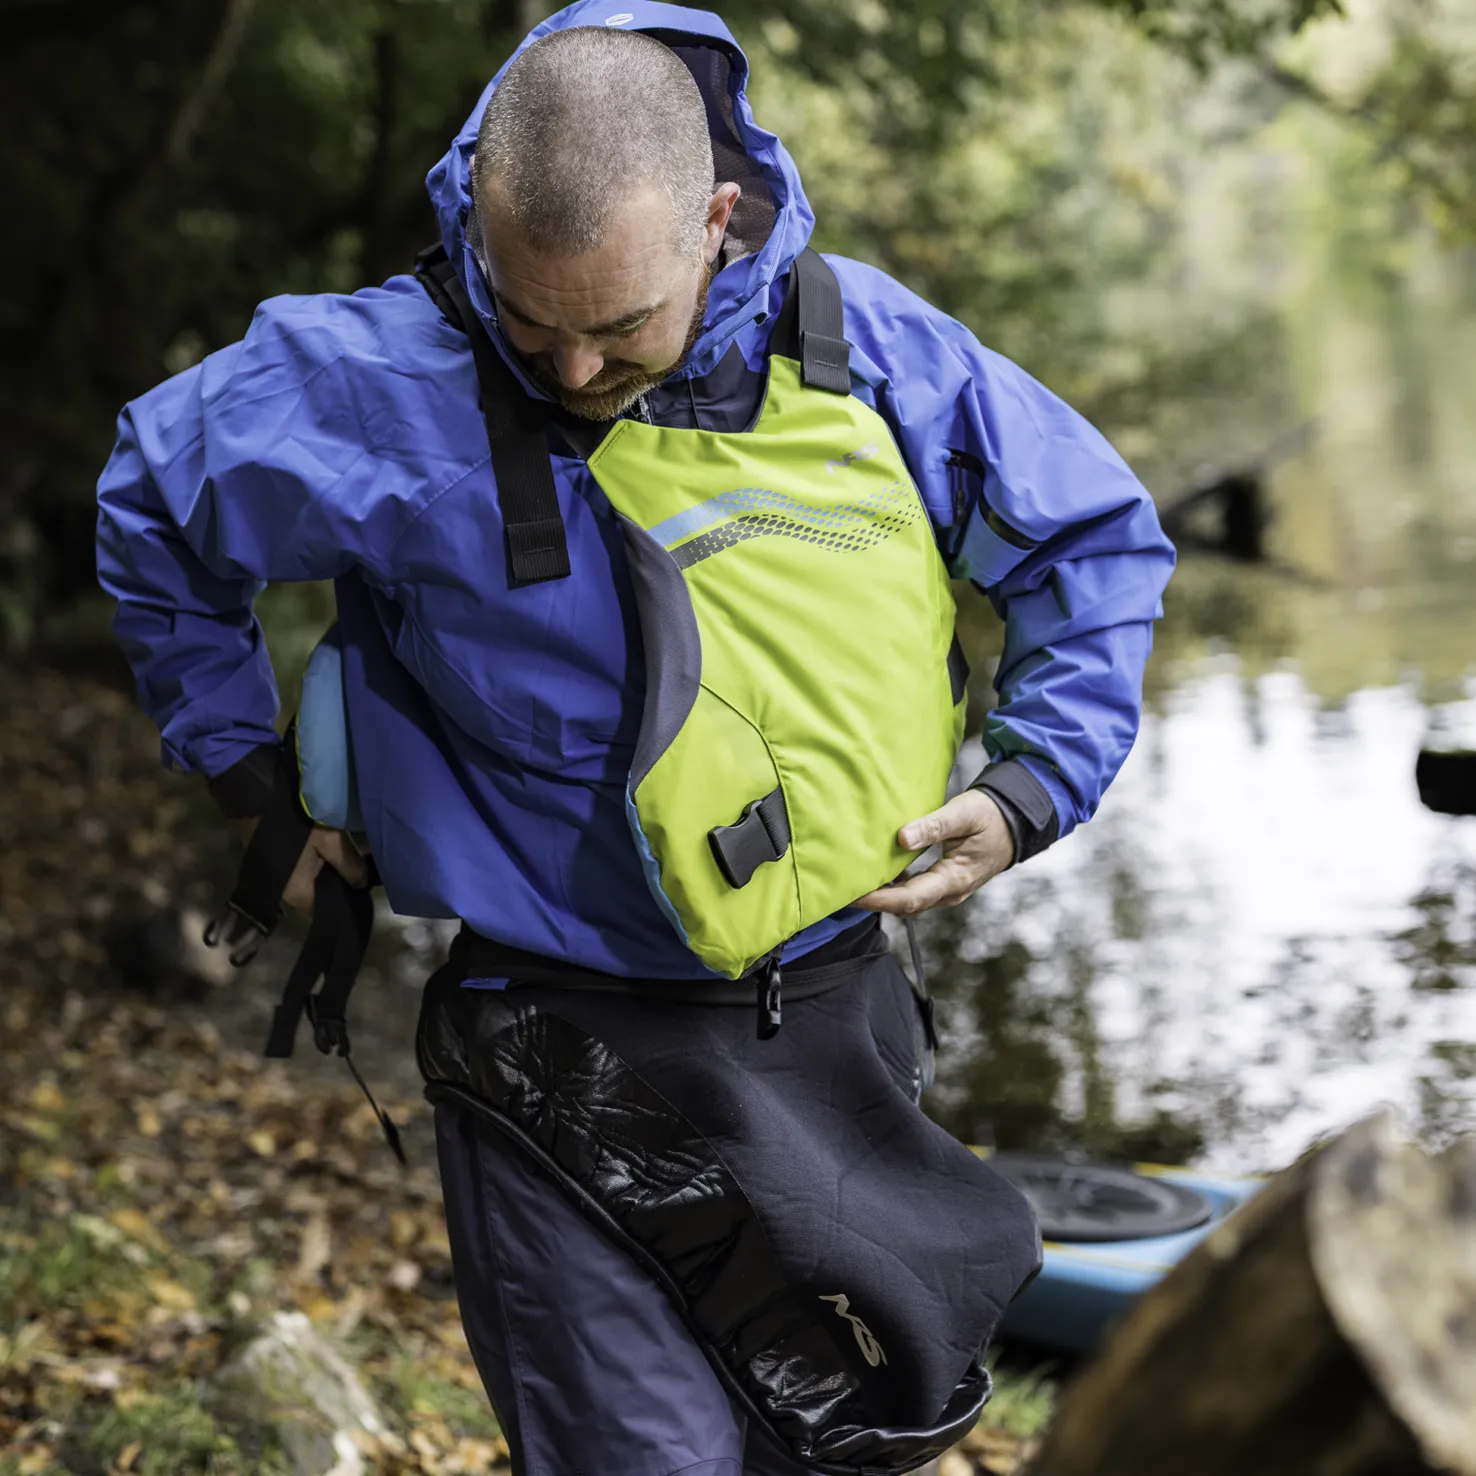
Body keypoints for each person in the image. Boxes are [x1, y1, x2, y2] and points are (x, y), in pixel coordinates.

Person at [96, 4, 1175, 1472]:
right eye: (532, 321)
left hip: (841, 1019)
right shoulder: (382, 380)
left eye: (618, 326)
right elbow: (155, 503)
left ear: (715, 223)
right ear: (484, 225)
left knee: (835, 1446)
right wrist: (247, 783)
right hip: (564, 1047)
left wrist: (1034, 781)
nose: (571, 368)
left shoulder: (863, 350)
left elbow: (1092, 543)